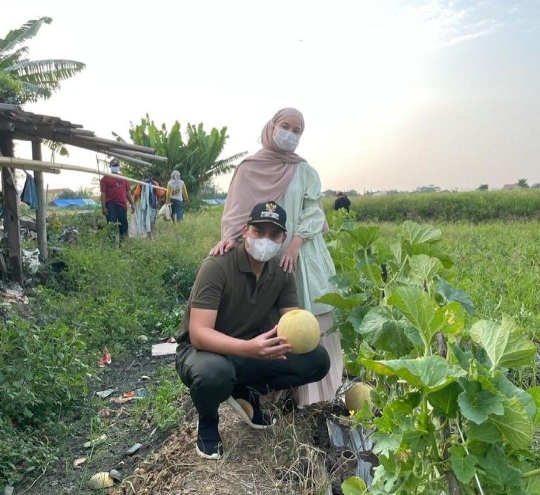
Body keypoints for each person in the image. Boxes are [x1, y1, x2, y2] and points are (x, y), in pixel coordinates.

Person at [209, 108, 343, 407]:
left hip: (302, 254)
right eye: (286, 126)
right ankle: (272, 392)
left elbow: (313, 211)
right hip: (263, 255)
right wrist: (229, 241)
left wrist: (294, 244)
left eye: (297, 130)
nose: (290, 134)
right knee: (270, 320)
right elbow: (236, 211)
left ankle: (316, 396)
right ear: (271, 127)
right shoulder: (249, 168)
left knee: (308, 318)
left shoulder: (304, 170)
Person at [176, 201, 330, 459]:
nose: (265, 240)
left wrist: (308, 334)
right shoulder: (217, 266)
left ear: (283, 238)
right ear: (245, 231)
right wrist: (249, 348)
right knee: (215, 373)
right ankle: (208, 423)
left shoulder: (281, 274)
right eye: (259, 232)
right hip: (200, 353)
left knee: (317, 360)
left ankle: (247, 390)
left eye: (274, 234)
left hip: (248, 352)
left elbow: (290, 321)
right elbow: (199, 334)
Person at [100, 159, 135, 240]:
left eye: (116, 166)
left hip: (122, 205)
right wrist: (104, 207)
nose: (115, 167)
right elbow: (103, 194)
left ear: (119, 167)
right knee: (111, 226)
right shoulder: (105, 179)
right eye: (113, 166)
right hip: (111, 205)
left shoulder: (123, 178)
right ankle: (111, 246)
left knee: (124, 226)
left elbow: (127, 192)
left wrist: (132, 204)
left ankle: (123, 245)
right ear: (110, 167)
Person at [133, 172, 165, 237]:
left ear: (144, 178)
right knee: (152, 220)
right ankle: (150, 233)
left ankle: (146, 233)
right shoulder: (154, 183)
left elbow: (136, 194)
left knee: (144, 219)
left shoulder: (141, 184)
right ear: (151, 178)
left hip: (144, 206)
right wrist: (162, 190)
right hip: (152, 205)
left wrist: (134, 201)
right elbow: (160, 193)